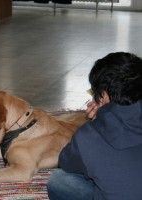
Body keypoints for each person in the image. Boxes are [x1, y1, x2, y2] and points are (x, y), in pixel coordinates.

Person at [47, 52, 142, 200]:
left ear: (103, 96)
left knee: (59, 180)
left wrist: (98, 122)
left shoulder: (89, 134)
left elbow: (66, 162)